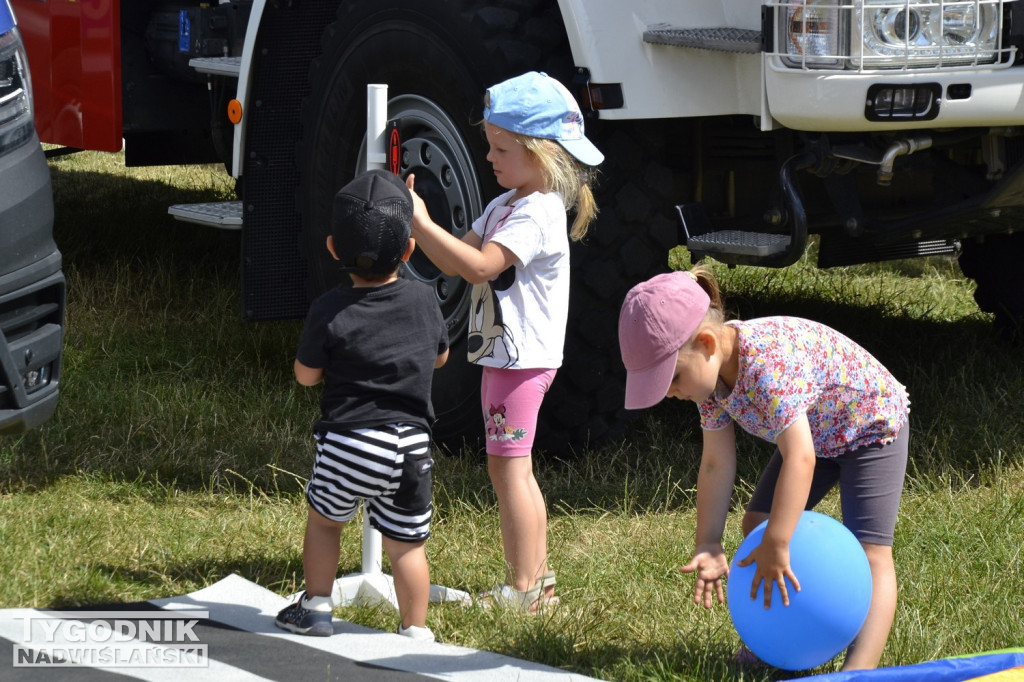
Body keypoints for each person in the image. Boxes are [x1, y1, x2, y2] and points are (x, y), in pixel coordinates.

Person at [617, 266, 910, 671]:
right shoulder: (710, 382)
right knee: (760, 522)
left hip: (868, 426)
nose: (671, 393)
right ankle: (780, 633)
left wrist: (780, 542)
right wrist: (709, 542)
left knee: (873, 550)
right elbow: (717, 463)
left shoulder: (767, 364)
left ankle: (859, 671)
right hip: (819, 433)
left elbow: (801, 458)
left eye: (673, 378)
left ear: (705, 343)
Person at [404, 71, 603, 612]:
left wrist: (421, 225)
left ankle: (526, 588)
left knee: (509, 469)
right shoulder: (506, 204)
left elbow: (480, 267)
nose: (489, 157)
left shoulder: (535, 212)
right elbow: (456, 259)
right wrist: (413, 234)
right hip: (509, 359)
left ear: (542, 154)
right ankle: (538, 583)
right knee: (514, 468)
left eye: (501, 148)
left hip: (521, 363)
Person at [275, 169, 450, 641]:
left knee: (325, 522)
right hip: (411, 446)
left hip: (349, 442)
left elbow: (305, 376)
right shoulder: (424, 298)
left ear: (333, 248)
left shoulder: (329, 309)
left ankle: (315, 606)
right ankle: (415, 629)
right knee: (407, 547)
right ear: (409, 250)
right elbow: (440, 357)